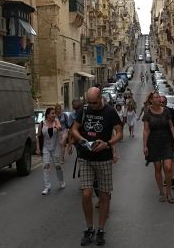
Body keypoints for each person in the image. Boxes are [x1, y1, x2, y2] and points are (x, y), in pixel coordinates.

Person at [71, 87, 123, 246]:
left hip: (103, 158)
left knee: (104, 195)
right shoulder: (84, 110)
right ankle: (89, 228)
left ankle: (101, 229)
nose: (92, 105)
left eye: (94, 102)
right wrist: (81, 140)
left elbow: (120, 133)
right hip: (86, 157)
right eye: (89, 102)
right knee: (86, 194)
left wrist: (107, 144)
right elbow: (73, 128)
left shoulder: (110, 112)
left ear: (100, 98)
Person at [142, 92, 174, 204]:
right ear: (151, 100)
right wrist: (145, 145)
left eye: (159, 97)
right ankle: (161, 192)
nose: (159, 99)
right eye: (156, 97)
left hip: (166, 141)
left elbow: (171, 126)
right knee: (158, 168)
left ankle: (168, 192)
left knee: (167, 167)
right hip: (154, 142)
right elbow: (146, 130)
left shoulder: (166, 111)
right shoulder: (147, 112)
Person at [36, 107, 65, 195]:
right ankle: (47, 187)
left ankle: (61, 181)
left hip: (55, 147)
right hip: (46, 148)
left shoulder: (56, 121)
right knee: (46, 166)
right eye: (52, 113)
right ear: (47, 115)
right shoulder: (42, 123)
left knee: (57, 166)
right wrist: (38, 148)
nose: (54, 115)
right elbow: (38, 136)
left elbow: (60, 128)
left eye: (54, 113)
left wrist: (57, 124)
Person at [161, 96, 174, 190]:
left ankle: (172, 179)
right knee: (164, 161)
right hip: (161, 139)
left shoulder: (171, 111)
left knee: (173, 159)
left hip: (171, 139)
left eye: (164, 102)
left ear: (166, 102)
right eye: (161, 102)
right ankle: (167, 178)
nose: (162, 103)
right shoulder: (156, 112)